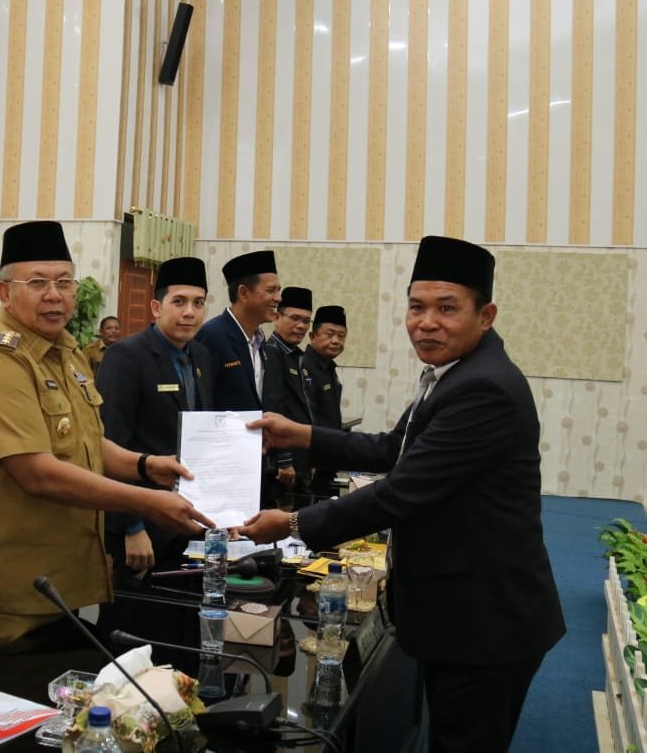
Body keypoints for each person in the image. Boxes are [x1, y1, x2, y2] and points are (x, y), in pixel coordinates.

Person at [242, 236, 565, 753]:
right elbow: (394, 448)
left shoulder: (484, 387)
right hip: (461, 609)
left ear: (485, 316)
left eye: (446, 309)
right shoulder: (454, 372)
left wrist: (294, 525)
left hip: (485, 621)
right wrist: (300, 434)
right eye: (417, 307)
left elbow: (400, 493)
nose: (426, 322)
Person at [0, 221, 213, 663]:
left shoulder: (67, 353)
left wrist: (145, 465)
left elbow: (90, 442)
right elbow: (38, 473)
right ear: (4, 293)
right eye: (37, 283)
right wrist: (147, 502)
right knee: (14, 698)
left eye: (65, 282)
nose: (55, 295)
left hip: (62, 573)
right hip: (11, 581)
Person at [94, 257, 214, 667]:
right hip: (140, 526)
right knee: (133, 637)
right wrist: (132, 526)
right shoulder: (126, 357)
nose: (189, 312)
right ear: (155, 306)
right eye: (179, 301)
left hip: (185, 521)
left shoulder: (200, 357)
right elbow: (111, 445)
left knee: (179, 630)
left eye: (198, 303)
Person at [195, 250, 279, 411]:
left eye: (278, 290)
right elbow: (201, 401)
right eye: (271, 290)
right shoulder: (212, 336)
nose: (278, 298)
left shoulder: (261, 341)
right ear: (243, 293)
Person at [261, 286, 315, 505]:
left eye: (306, 321)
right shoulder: (272, 352)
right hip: (282, 464)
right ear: (276, 318)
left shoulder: (296, 356)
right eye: (295, 318)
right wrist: (284, 460)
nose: (301, 326)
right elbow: (274, 407)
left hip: (299, 456)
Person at [301, 305, 347, 432]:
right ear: (312, 337)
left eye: (341, 336)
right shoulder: (304, 367)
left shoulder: (328, 366)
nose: (336, 341)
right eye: (329, 335)